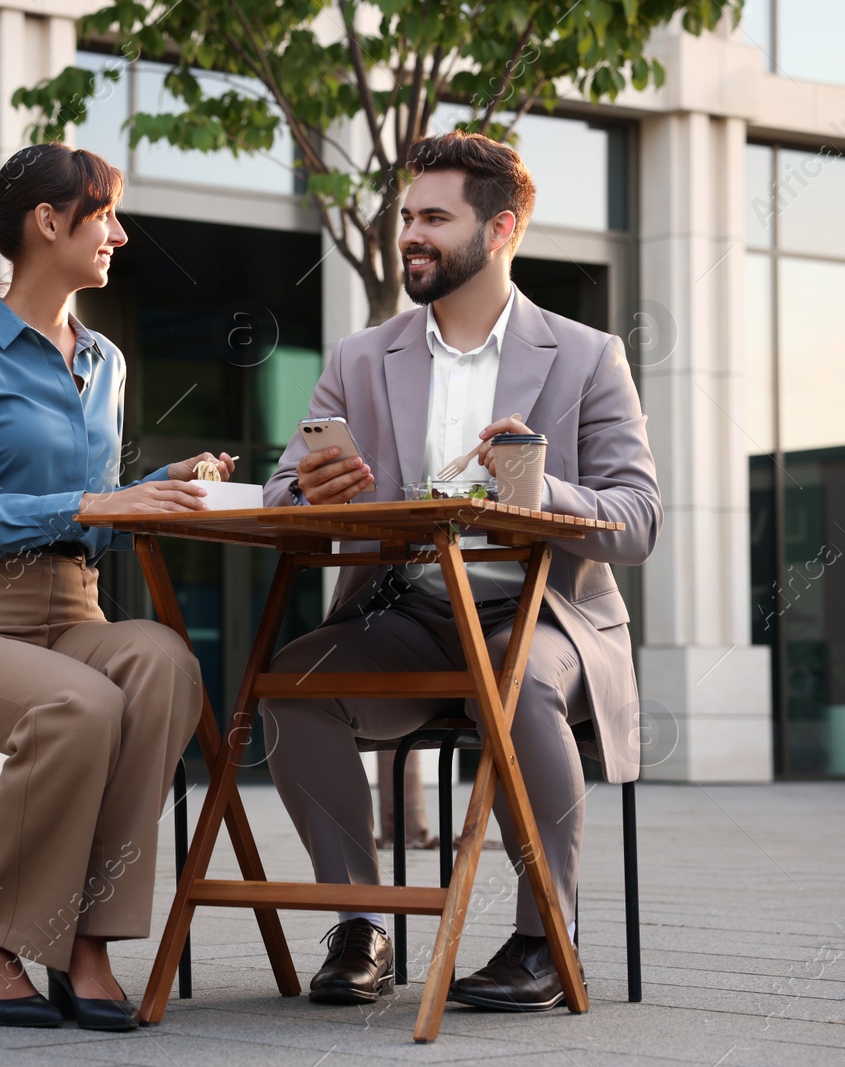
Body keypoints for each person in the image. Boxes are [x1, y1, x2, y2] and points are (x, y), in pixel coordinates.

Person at [261, 131, 661, 1012]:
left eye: (434, 218)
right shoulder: (362, 357)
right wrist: (309, 488)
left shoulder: (588, 356)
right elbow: (283, 483)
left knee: (514, 689)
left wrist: (537, 486)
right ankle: (361, 924)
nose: (411, 233)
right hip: (408, 614)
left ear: (501, 228)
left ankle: (542, 940)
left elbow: (637, 519)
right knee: (291, 686)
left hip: (541, 614)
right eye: (408, 216)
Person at [0, 143, 225, 1030]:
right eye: (105, 215)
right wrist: (93, 498)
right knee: (80, 705)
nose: (119, 234)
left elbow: (92, 510)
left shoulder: (105, 362)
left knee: (163, 663)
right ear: (49, 223)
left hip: (76, 608)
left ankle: (90, 937)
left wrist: (166, 485)